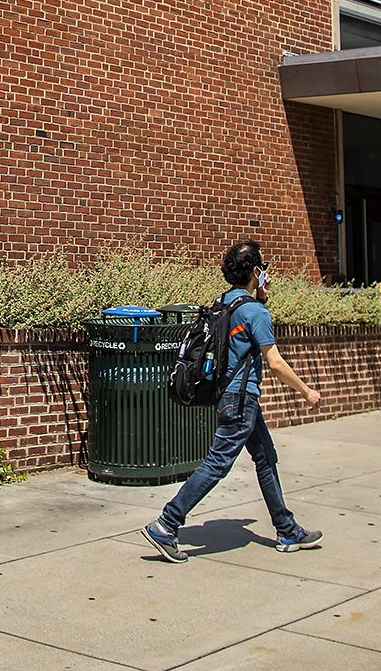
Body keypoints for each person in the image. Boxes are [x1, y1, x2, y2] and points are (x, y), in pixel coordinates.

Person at [140, 240, 324, 562]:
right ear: (256, 271)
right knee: (218, 463)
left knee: (265, 456)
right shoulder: (254, 311)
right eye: (263, 268)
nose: (265, 274)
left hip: (229, 397)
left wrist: (260, 296)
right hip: (241, 402)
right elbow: (276, 363)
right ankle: (166, 524)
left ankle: (286, 528)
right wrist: (307, 391)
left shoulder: (223, 302)